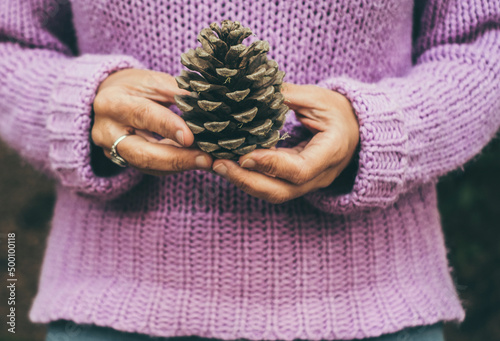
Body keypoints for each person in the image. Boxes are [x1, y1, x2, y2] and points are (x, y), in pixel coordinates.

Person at [1, 0, 499, 340]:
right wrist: (78, 107)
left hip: (377, 312)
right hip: (109, 311)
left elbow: (485, 41)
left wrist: (381, 131)